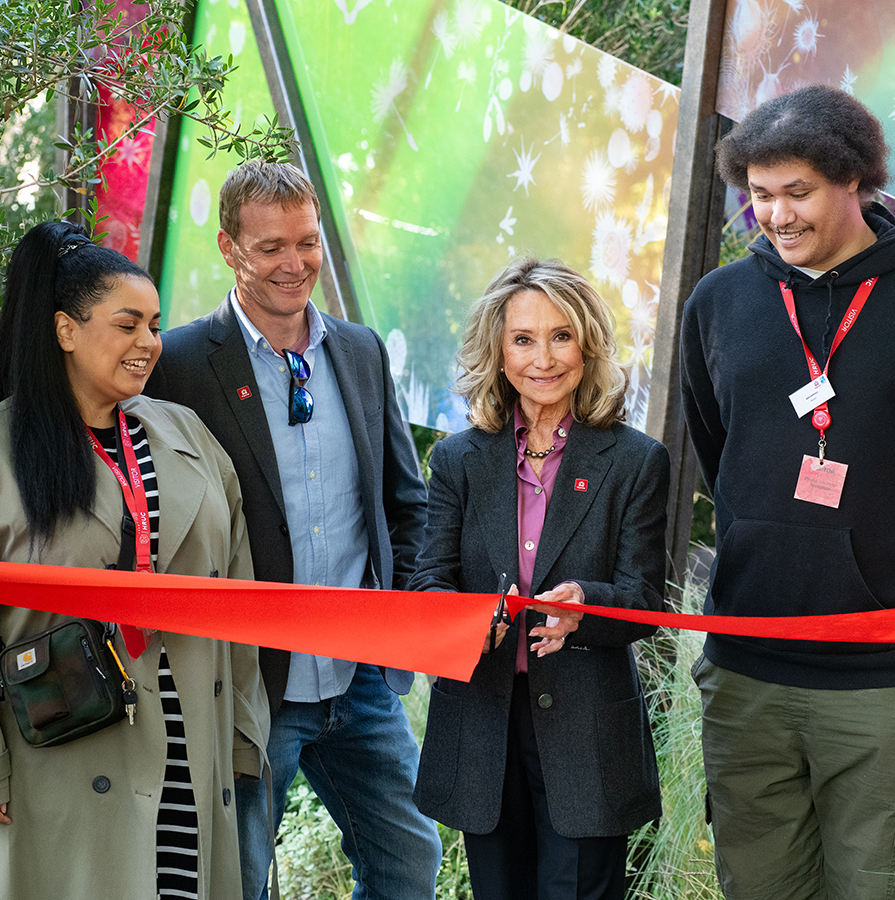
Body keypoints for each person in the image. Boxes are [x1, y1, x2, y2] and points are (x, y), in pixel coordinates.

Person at [145, 161, 441, 900]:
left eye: (306, 243)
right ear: (229, 248)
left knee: (410, 861)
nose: (294, 263)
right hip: (246, 686)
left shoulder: (361, 351)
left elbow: (406, 502)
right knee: (239, 881)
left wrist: (399, 612)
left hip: (360, 676)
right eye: (271, 246)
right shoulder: (178, 363)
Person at [0, 221, 270, 900]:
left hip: (191, 745)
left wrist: (243, 734)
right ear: (65, 331)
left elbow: (240, 598)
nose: (149, 344)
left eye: (153, 324)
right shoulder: (3, 451)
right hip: (64, 751)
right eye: (127, 325)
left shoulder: (187, 435)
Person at [680, 84, 895, 899]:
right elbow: (718, 452)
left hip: (880, 676)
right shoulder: (721, 302)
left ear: (854, 180)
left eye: (797, 192)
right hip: (747, 669)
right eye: (760, 196)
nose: (777, 216)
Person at [409, 256, 670, 900]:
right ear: (498, 354)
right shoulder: (458, 459)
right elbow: (427, 585)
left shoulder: (636, 461)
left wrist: (589, 605)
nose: (543, 358)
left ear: (588, 346)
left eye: (562, 336)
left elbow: (643, 598)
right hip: (483, 726)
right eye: (524, 339)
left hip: (587, 732)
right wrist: (475, 622)